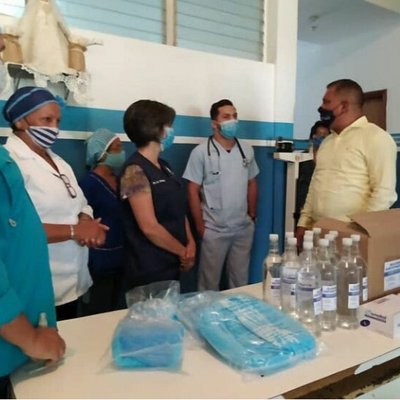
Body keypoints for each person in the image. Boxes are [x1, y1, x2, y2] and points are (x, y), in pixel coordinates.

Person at [3, 86, 108, 321]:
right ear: (20, 121)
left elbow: (81, 203)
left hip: (72, 281)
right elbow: (13, 229)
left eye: (58, 121)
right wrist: (74, 231)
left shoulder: (59, 162)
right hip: (36, 285)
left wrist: (86, 222)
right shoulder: (9, 163)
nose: (54, 128)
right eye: (46, 120)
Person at [0, 36, 65, 399]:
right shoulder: (13, 160)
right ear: (21, 121)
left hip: (22, 336)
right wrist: (31, 339)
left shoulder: (5, 165)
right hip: (16, 336)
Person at [297, 79, 397, 242]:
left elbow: (384, 193)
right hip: (318, 232)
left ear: (343, 107)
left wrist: (361, 231)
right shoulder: (327, 142)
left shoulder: (376, 138)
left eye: (326, 102)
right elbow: (315, 185)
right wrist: (303, 222)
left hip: (352, 237)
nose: (321, 107)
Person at [119, 99, 196, 291]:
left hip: (173, 261)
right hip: (149, 267)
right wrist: (182, 252)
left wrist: (190, 243)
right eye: (168, 126)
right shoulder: (134, 172)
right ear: (155, 129)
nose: (171, 131)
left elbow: (179, 210)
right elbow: (149, 227)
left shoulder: (165, 166)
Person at [183, 99, 259, 291]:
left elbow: (251, 182)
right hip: (214, 228)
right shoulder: (201, 152)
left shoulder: (246, 150)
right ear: (214, 123)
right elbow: (192, 189)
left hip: (242, 227)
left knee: (240, 281)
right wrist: (200, 226)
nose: (232, 120)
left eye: (234, 116)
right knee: (209, 283)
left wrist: (252, 215)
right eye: (226, 117)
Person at [79, 129, 126, 314]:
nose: (122, 152)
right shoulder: (89, 184)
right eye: (117, 147)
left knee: (115, 310)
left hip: (121, 256)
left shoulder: (121, 180)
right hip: (98, 260)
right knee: (98, 311)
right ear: (102, 153)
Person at [294, 121, 329, 227]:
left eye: (325, 136)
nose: (322, 138)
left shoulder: (331, 159)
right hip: (304, 205)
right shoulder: (302, 159)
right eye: (320, 135)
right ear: (313, 137)